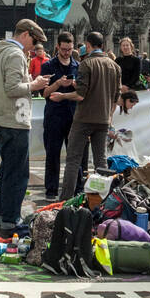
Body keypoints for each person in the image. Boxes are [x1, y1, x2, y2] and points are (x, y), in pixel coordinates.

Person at [0, 19, 50, 238]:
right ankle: (10, 221)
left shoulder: (2, 52)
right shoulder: (15, 55)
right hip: (15, 121)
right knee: (18, 175)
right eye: (34, 41)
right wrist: (34, 85)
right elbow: (13, 88)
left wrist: (31, 83)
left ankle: (0, 218)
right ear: (25, 34)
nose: (34, 46)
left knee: (7, 172)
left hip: (4, 119)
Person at [52, 31, 121, 200]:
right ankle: (102, 200)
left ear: (88, 46)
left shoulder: (86, 64)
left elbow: (80, 95)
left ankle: (65, 200)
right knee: (101, 162)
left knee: (73, 160)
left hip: (84, 118)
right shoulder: (115, 66)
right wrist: (109, 116)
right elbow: (116, 96)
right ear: (102, 45)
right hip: (103, 119)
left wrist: (63, 96)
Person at [40, 30, 80, 201]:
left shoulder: (78, 66)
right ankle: (51, 189)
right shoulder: (48, 66)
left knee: (75, 154)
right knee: (52, 153)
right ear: (57, 47)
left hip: (73, 115)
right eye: (64, 49)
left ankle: (76, 189)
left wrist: (75, 84)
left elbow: (83, 93)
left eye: (69, 49)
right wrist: (58, 83)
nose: (66, 53)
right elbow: (44, 93)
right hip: (54, 115)